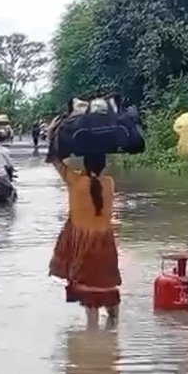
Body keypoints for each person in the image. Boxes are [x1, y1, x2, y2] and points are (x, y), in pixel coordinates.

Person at [48, 126, 121, 329]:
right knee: (107, 286)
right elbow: (95, 183)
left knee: (89, 298)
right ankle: (112, 331)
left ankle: (93, 342)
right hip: (105, 242)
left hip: (81, 242)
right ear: (104, 166)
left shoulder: (75, 180)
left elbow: (54, 159)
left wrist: (53, 133)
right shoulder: (109, 183)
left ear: (84, 164)